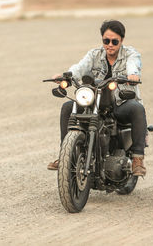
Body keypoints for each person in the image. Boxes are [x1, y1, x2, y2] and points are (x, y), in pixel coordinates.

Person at [47, 20, 147, 177]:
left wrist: (132, 75)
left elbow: (134, 65)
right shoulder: (94, 54)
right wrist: (65, 76)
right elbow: (79, 68)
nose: (110, 45)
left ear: (122, 40)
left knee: (137, 108)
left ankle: (137, 159)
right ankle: (65, 155)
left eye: (114, 41)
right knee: (68, 107)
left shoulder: (131, 54)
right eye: (106, 41)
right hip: (95, 102)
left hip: (119, 102)